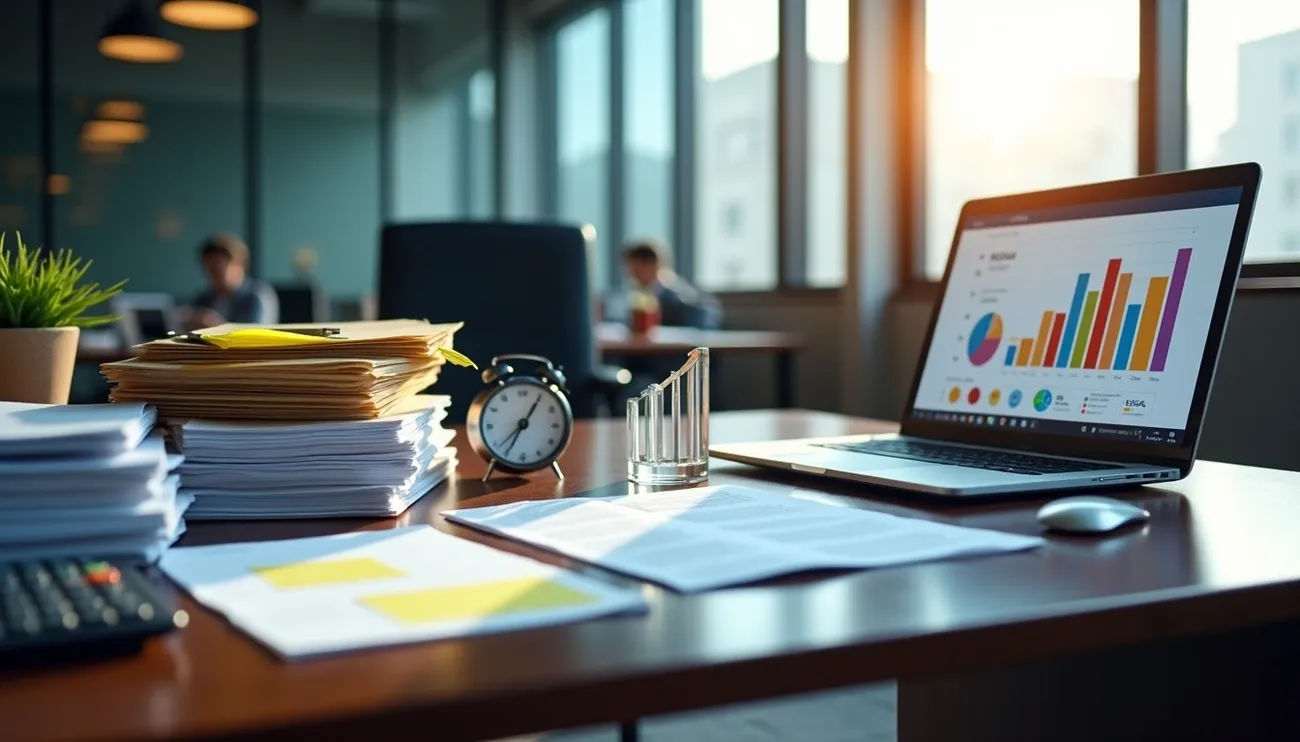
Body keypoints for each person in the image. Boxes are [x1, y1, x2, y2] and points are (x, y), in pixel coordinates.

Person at [619, 239, 721, 329]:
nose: (630, 274)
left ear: (654, 265)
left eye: (635, 268)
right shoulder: (634, 298)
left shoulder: (682, 299)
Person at [184, 233, 279, 330]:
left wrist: (216, 326)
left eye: (216, 270)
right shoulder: (203, 298)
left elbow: (257, 334)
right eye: (208, 270)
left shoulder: (257, 295)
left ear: (238, 264)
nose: (211, 276)